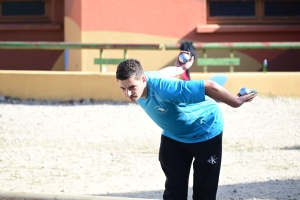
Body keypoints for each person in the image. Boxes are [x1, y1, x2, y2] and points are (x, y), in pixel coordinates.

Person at [115, 51, 257, 200]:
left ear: (143, 79)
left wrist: (236, 102)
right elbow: (161, 73)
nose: (128, 94)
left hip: (205, 129)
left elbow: (210, 86)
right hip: (174, 135)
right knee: (173, 190)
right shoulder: (141, 80)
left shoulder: (166, 89)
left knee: (204, 190)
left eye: (131, 87)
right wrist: (180, 68)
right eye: (123, 88)